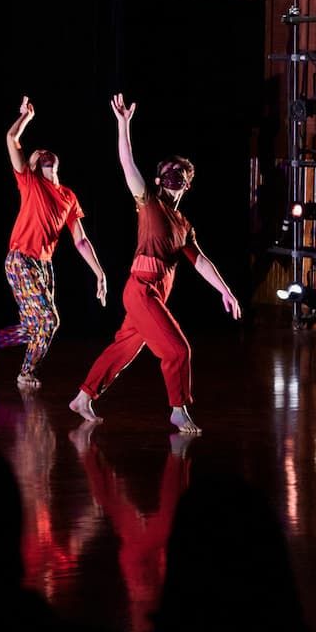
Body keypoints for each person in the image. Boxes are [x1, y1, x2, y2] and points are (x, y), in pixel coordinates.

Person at [70, 94, 241, 434]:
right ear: (160, 180)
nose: (175, 178)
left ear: (187, 185)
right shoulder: (148, 203)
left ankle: (83, 397)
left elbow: (201, 262)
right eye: (169, 173)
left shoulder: (184, 224)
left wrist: (227, 291)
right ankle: (178, 410)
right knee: (178, 350)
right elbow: (126, 164)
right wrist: (124, 125)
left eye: (181, 175)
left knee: (123, 348)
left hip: (156, 294)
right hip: (142, 289)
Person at [0, 96, 108, 389]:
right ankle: (26, 373)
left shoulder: (68, 196)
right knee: (49, 321)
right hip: (20, 260)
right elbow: (11, 137)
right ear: (33, 164)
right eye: (37, 153)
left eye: (47, 153)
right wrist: (26, 117)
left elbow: (80, 240)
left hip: (43, 265)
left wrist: (99, 272)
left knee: (36, 325)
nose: (43, 152)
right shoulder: (30, 182)